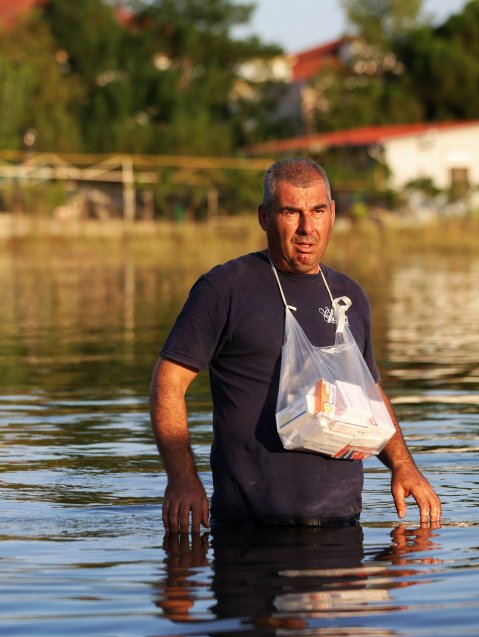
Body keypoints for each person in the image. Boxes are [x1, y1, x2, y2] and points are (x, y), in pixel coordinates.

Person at [150, 157, 441, 533]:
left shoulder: (349, 294)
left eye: (318, 210)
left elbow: (369, 393)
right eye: (291, 212)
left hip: (342, 528)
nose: (307, 228)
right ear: (264, 217)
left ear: (332, 214)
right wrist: (183, 479)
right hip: (249, 530)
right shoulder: (225, 289)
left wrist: (403, 466)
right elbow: (168, 384)